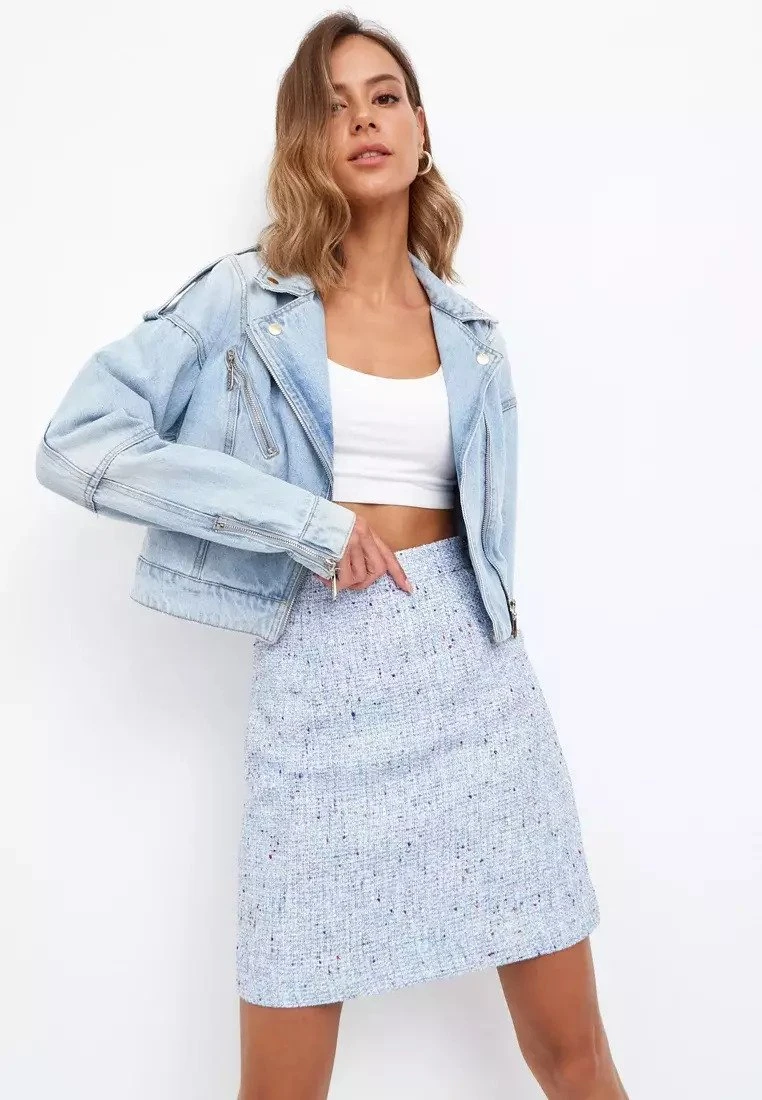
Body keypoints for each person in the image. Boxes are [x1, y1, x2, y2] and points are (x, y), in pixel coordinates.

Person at [35, 11, 629, 1100]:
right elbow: (78, 442)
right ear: (305, 142)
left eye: (384, 97)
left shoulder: (475, 337)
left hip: (479, 700)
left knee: (576, 1057)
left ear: (420, 131)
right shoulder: (244, 300)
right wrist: (300, 523)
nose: (363, 119)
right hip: (317, 694)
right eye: (333, 105)